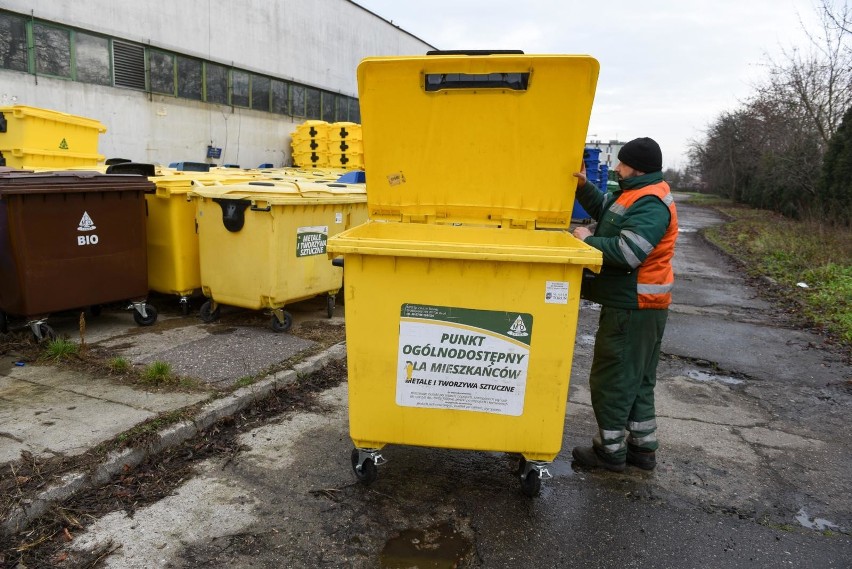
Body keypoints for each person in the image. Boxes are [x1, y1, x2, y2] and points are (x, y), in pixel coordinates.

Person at [569, 137, 679, 472]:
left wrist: (587, 241)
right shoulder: (635, 193)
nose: (617, 168)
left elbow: (628, 252)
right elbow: (608, 213)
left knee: (613, 378)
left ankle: (610, 452)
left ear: (637, 167)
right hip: (642, 305)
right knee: (638, 378)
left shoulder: (651, 202)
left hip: (634, 306)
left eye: (622, 163)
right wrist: (585, 187)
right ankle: (642, 448)